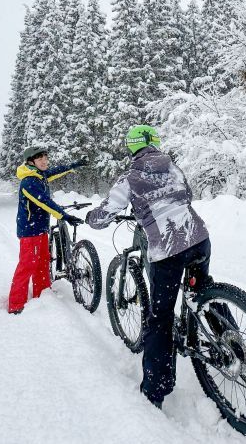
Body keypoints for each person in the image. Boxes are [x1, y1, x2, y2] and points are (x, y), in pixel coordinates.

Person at [86, 125, 211, 409]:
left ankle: (155, 390)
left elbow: (106, 213)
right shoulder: (173, 167)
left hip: (167, 250)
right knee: (202, 292)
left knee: (160, 317)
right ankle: (228, 338)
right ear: (154, 143)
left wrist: (91, 218)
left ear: (132, 146)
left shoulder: (129, 177)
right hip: (199, 238)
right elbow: (187, 195)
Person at [8, 145, 86, 314]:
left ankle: (42, 293)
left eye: (45, 158)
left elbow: (55, 171)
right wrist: (64, 216)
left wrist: (73, 165)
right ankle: (16, 304)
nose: (44, 161)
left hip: (41, 228)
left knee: (43, 261)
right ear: (31, 162)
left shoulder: (39, 175)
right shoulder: (28, 182)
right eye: (40, 158)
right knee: (27, 265)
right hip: (30, 231)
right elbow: (44, 202)